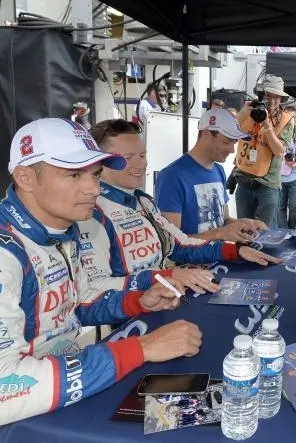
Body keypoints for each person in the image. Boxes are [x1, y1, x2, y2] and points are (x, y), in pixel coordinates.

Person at [0, 118, 202, 426]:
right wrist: (141, 348)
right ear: (25, 177)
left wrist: (138, 301)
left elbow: (77, 302)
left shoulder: (59, 229)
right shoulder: (6, 255)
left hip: (67, 381)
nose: (94, 188)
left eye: (95, 174)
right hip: (23, 421)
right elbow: (5, 387)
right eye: (74, 174)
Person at [79, 118, 281, 293]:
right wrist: (164, 277)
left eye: (142, 155)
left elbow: (179, 244)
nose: (141, 164)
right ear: (99, 162)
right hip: (134, 313)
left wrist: (234, 250)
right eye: (128, 158)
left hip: (164, 296)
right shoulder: (91, 212)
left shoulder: (143, 201)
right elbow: (94, 289)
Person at [156, 108, 268, 242]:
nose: (232, 150)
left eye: (234, 142)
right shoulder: (171, 176)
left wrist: (246, 224)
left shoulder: (218, 170)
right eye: (227, 141)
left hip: (220, 253)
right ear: (206, 134)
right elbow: (171, 241)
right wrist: (218, 233)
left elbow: (223, 220)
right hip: (193, 256)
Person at [234, 74, 296, 228]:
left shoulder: (286, 120)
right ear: (262, 95)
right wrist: (242, 113)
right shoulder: (248, 111)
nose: (273, 101)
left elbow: (279, 152)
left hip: (268, 184)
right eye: (269, 95)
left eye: (277, 97)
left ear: (281, 99)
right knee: (243, 229)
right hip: (244, 180)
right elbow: (228, 133)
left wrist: (267, 126)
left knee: (267, 232)